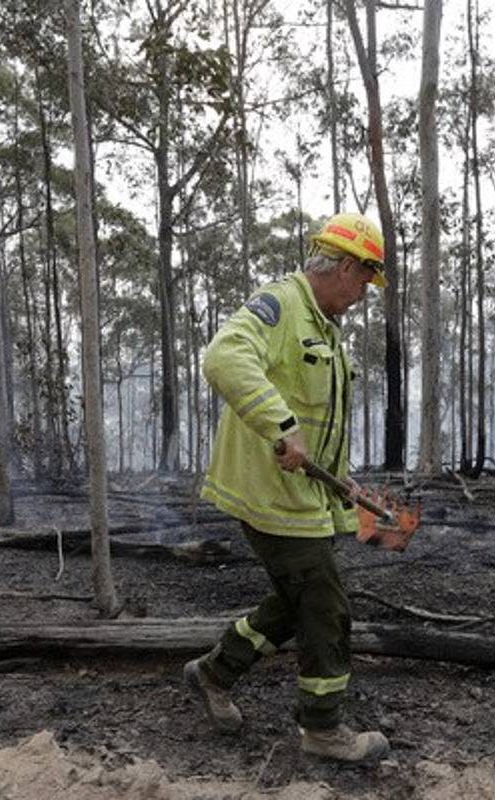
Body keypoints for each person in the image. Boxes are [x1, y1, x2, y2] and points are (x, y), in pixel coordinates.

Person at [184, 212, 390, 763]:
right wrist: (280, 426)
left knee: (293, 599)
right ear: (345, 266)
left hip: (302, 496)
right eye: (365, 279)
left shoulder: (324, 327)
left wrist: (336, 477)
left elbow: (316, 417)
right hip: (268, 496)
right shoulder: (280, 305)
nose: (365, 293)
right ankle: (323, 729)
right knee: (325, 604)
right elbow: (223, 357)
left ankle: (213, 672)